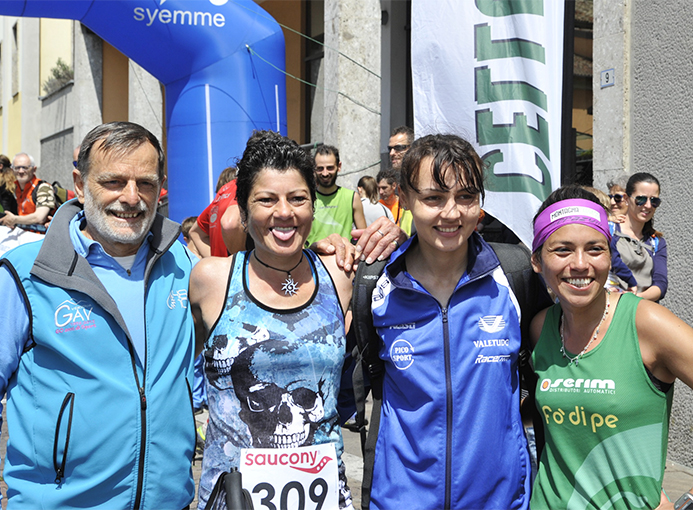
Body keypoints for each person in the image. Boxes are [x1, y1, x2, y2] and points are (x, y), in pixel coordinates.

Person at [0, 121, 197, 509]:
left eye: (145, 183)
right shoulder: (24, 274)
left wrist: (315, 260)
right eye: (113, 181)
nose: (131, 197)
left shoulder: (185, 265)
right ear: (79, 182)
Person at [362, 134, 531, 509]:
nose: (451, 213)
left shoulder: (515, 275)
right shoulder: (374, 283)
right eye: (433, 198)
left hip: (499, 500)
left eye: (466, 197)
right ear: (404, 200)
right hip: (401, 499)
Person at [189, 131, 355, 509]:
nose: (285, 212)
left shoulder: (341, 274)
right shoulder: (209, 280)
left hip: (323, 496)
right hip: (228, 497)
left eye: (298, 199)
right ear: (244, 213)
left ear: (313, 207)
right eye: (267, 200)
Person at [529, 185, 693, 510]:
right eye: (562, 250)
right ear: (537, 260)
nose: (580, 264)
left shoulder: (645, 323)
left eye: (595, 249)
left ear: (609, 255)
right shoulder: (540, 328)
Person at [609, 172, 667, 301]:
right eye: (641, 199)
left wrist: (635, 299)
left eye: (654, 201)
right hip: (612, 310)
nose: (647, 205)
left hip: (644, 309)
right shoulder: (609, 231)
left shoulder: (656, 241)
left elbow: (661, 283)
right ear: (626, 198)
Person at [305, 144, 366, 246]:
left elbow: (363, 236)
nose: (325, 173)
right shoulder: (307, 198)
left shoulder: (352, 197)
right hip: (313, 259)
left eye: (330, 168)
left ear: (339, 166)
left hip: (343, 259)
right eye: (320, 168)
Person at [189, 166, 246, 257]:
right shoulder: (239, 189)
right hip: (236, 268)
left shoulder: (218, 199)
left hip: (220, 268)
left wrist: (215, 260)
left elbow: (195, 232)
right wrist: (238, 263)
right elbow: (230, 224)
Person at [0, 152, 55, 230]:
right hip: (24, 234)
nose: (21, 171)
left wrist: (15, 219)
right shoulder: (15, 189)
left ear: (34, 169)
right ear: (12, 170)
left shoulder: (44, 188)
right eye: (17, 168)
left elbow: (39, 217)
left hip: (42, 237)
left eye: (25, 167)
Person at [377, 168, 413, 236]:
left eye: (384, 188)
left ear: (393, 186)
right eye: (378, 188)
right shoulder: (377, 206)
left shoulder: (404, 205)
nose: (380, 192)